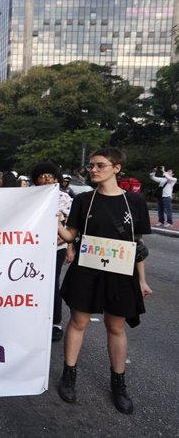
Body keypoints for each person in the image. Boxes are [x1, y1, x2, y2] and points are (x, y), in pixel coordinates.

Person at [56, 148, 152, 415]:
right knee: (79, 322)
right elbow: (70, 235)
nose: (94, 170)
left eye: (100, 165)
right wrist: (53, 221)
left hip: (121, 272)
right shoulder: (83, 200)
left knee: (116, 326)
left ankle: (119, 384)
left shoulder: (135, 202)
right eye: (91, 166)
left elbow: (138, 244)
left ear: (116, 168)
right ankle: (69, 375)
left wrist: (142, 280)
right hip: (87, 270)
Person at [30, 162, 72, 342]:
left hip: (56, 248)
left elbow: (70, 227)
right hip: (32, 248)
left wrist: (68, 247)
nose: (47, 179)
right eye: (42, 176)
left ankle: (55, 323)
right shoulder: (28, 197)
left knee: (52, 285)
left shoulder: (64, 198)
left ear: (56, 179)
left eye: (50, 176)